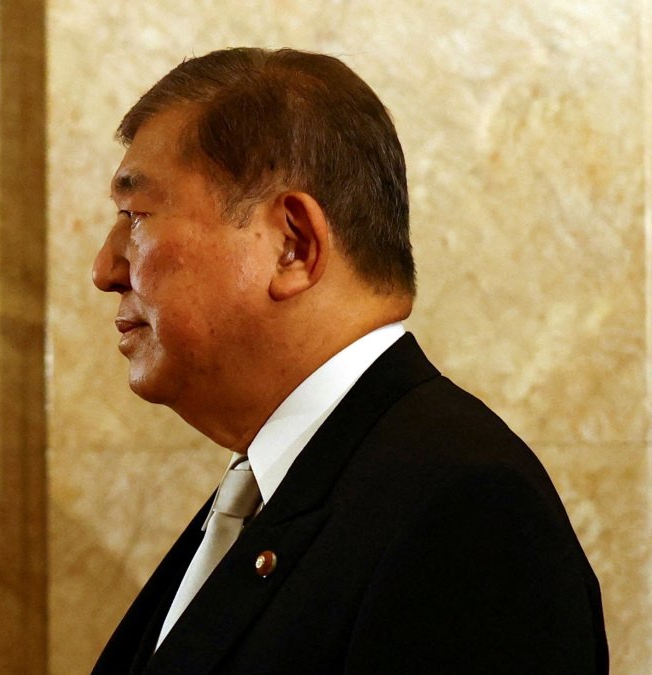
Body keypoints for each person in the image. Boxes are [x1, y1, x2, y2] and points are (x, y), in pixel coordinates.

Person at [90, 47, 607, 674]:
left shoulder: (467, 516)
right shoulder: (285, 487)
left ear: (292, 246)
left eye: (136, 217)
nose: (105, 269)